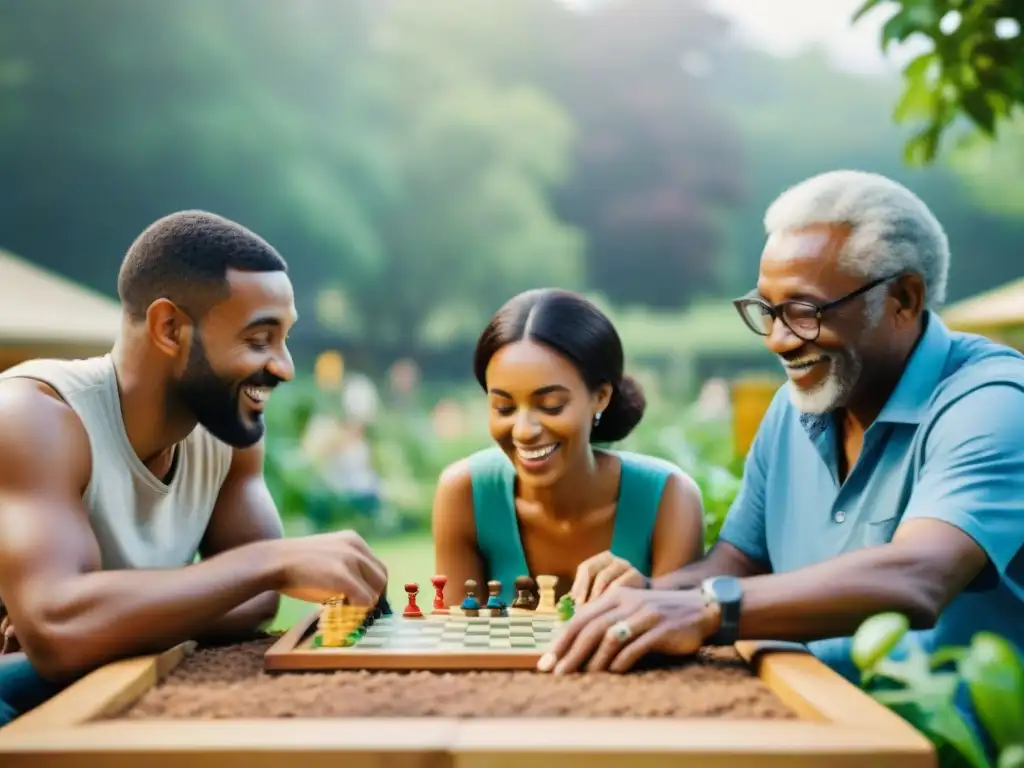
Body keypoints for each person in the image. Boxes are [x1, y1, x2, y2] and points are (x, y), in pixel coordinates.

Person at [538, 170, 1023, 750]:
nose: (778, 340)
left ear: (904, 299)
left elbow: (919, 577)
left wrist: (705, 608)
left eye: (804, 311)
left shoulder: (994, 402)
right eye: (766, 311)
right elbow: (738, 562)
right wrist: (652, 595)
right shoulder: (793, 408)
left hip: (950, 751)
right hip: (812, 726)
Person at [0, 211, 388, 727]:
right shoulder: (34, 417)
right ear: (170, 328)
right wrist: (267, 561)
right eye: (259, 339)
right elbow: (60, 631)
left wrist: (105, 617)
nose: (284, 366)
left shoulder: (226, 430)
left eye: (284, 338)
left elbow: (257, 604)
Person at [431, 288, 705, 610]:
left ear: (600, 396)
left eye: (551, 405)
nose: (523, 431)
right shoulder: (465, 495)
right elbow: (456, 642)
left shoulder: (669, 499)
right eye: (504, 408)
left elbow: (677, 634)